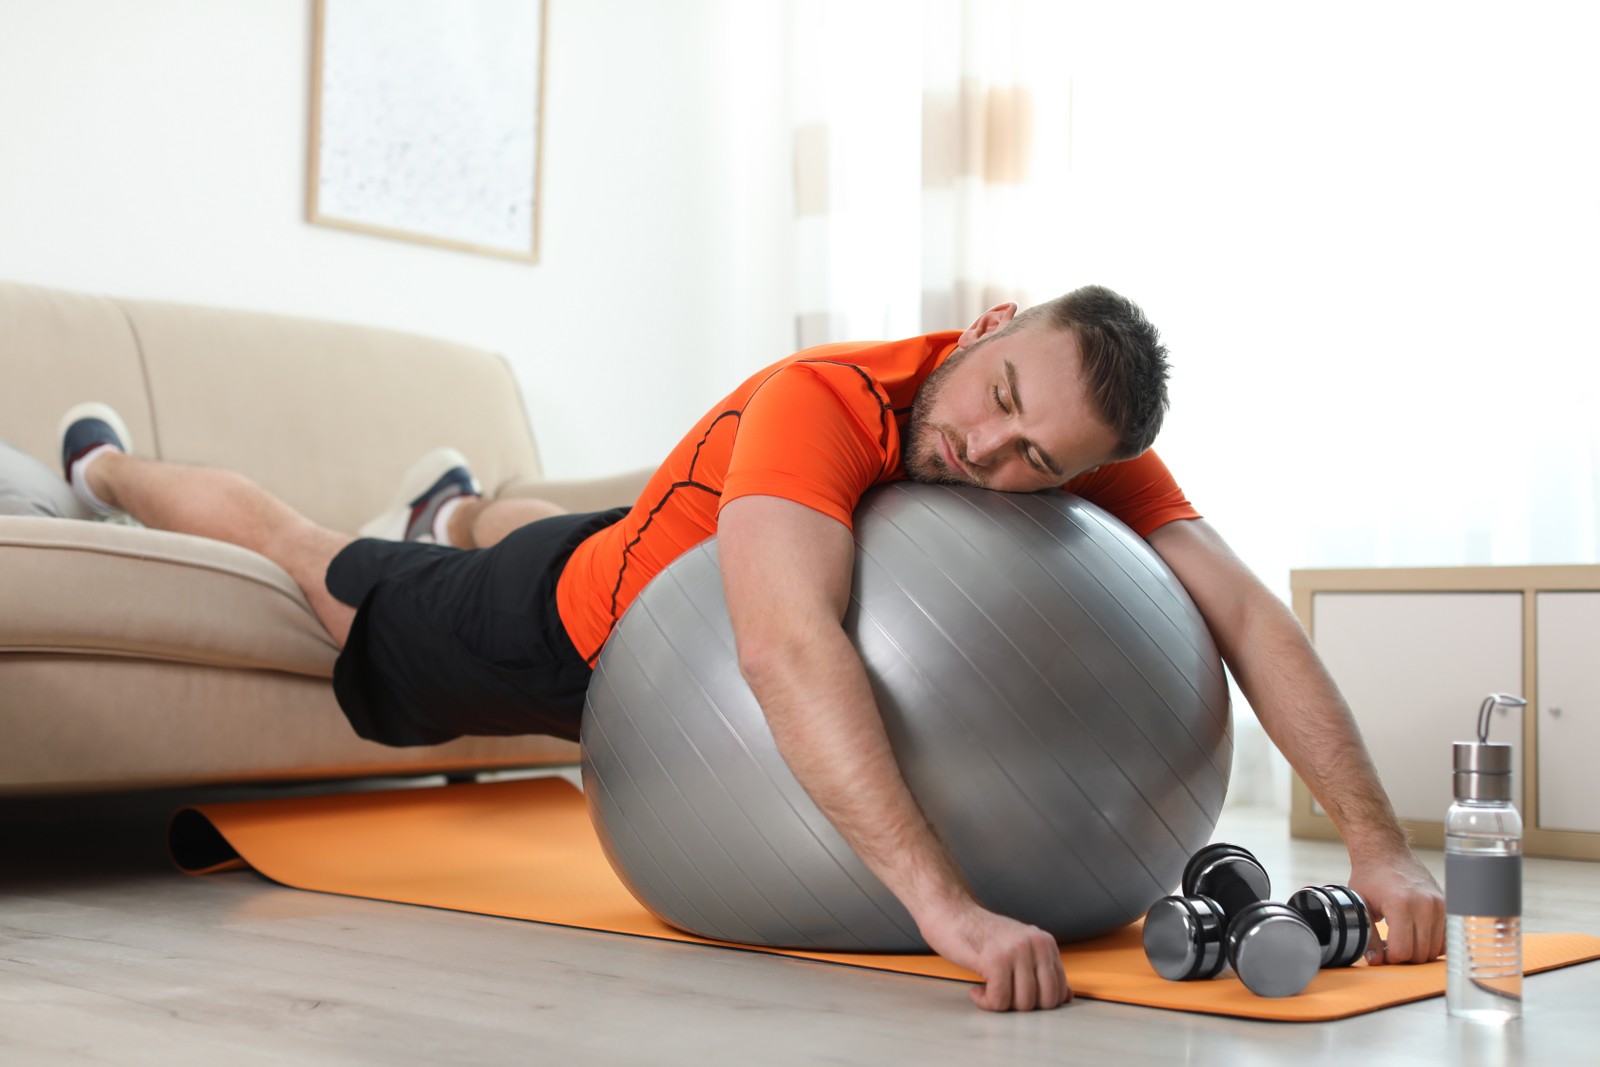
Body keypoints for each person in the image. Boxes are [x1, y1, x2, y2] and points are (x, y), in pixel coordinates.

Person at [57, 284, 1445, 1013]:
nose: (990, 452)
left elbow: (1245, 614)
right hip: (585, 637)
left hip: (652, 542)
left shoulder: (1050, 451)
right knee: (326, 577)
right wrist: (945, 909)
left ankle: (459, 505)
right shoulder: (824, 402)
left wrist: (1374, 846)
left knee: (571, 528)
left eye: (1040, 460)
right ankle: (109, 463)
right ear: (985, 326)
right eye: (999, 397)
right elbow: (784, 646)